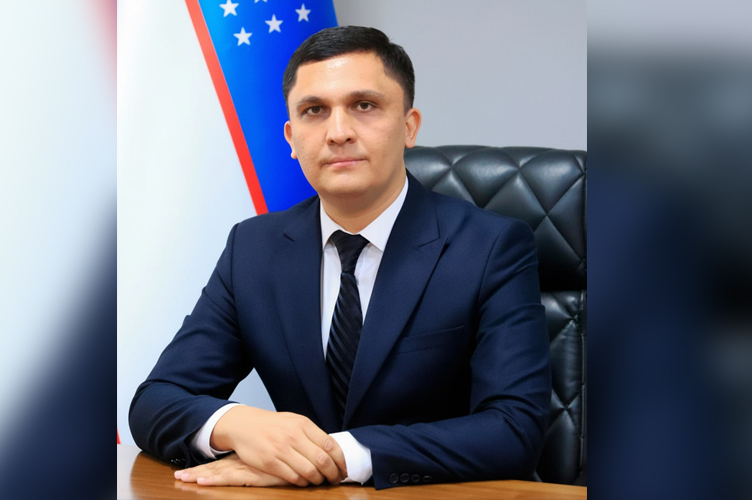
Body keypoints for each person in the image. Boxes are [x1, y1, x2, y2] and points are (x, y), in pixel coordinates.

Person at [129, 26, 551, 490]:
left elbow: (514, 429)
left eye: (364, 106)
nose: (338, 133)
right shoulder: (253, 248)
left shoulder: (491, 247)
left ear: (409, 126)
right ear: (291, 137)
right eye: (314, 111)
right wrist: (239, 424)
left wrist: (335, 457)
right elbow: (155, 402)